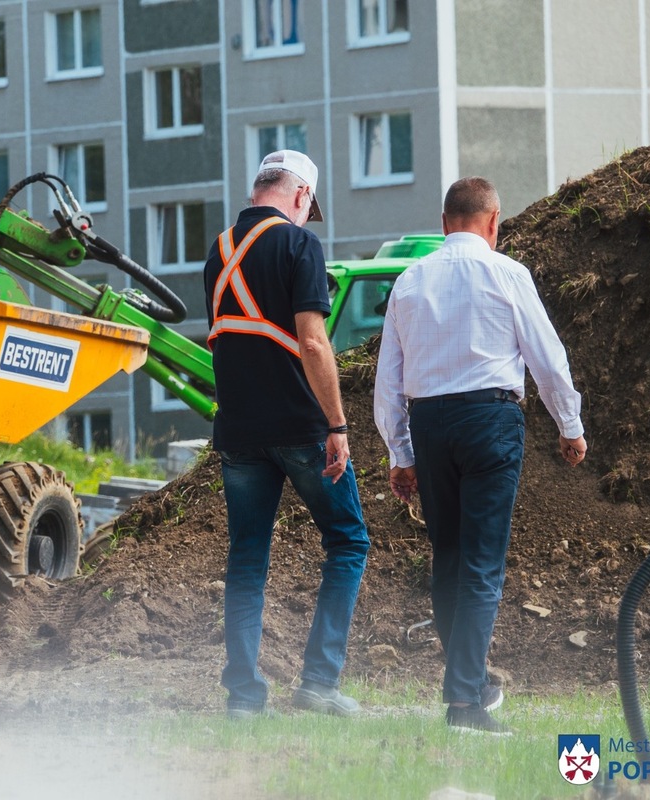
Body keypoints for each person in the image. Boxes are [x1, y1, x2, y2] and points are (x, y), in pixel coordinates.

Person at [373, 176, 587, 735]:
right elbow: (546, 354)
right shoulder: (507, 272)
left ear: (445, 224)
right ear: (494, 222)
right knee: (482, 561)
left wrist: (401, 451)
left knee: (449, 554)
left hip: (430, 424)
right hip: (490, 419)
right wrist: (569, 423)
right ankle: (465, 701)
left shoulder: (410, 279)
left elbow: (388, 375)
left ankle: (469, 683)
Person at [203, 149, 370, 719]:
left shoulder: (218, 252)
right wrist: (337, 424)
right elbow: (314, 342)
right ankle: (319, 685)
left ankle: (244, 699)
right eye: (308, 206)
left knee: (247, 559)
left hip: (239, 431)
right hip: (299, 426)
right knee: (348, 541)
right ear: (300, 194)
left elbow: (227, 339)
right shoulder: (301, 245)